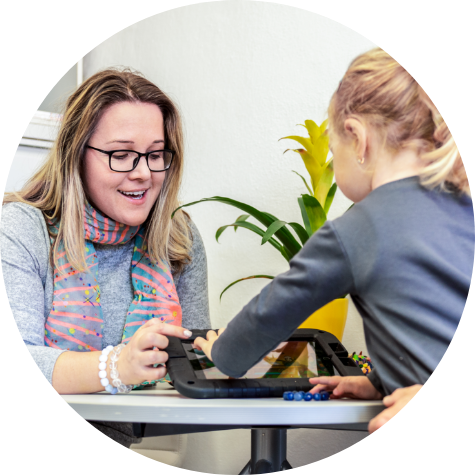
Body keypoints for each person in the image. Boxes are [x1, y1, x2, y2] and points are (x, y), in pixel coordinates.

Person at [193, 47, 474, 433]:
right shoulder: (463, 206)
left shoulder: (360, 228)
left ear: (357, 139)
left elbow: (270, 312)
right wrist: (379, 381)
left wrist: (222, 353)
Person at [0, 69, 211, 447]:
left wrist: (234, 354)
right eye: (121, 154)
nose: (144, 173)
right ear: (76, 153)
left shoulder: (178, 239)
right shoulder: (21, 228)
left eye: (155, 154)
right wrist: (116, 366)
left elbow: (193, 371)